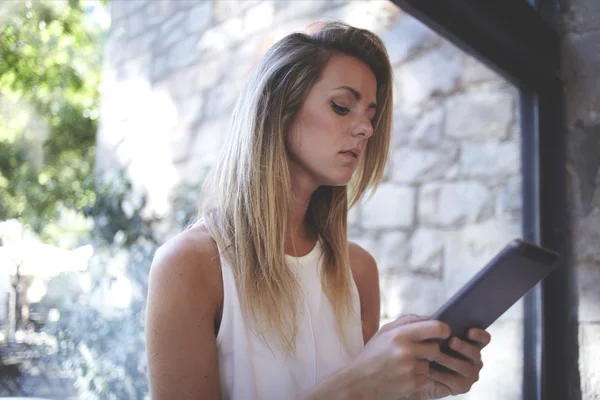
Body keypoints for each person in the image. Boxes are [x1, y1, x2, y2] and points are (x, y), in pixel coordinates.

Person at [145, 21, 491, 400]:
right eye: (342, 107)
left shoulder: (358, 270)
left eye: (370, 115)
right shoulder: (190, 266)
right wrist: (356, 384)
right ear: (279, 107)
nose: (366, 130)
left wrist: (419, 388)